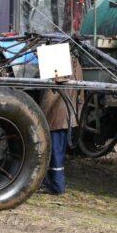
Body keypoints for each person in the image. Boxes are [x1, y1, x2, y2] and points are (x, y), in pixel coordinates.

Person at [38, 55, 82, 195]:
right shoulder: (75, 61)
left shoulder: (55, 57)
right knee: (57, 153)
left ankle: (56, 186)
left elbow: (49, 95)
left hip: (55, 117)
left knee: (53, 153)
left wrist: (38, 116)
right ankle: (53, 184)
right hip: (66, 116)